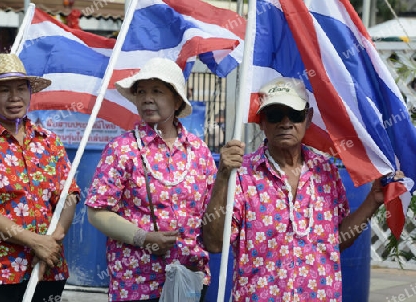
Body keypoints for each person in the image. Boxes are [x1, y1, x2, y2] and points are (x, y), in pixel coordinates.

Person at [202, 77, 404, 301]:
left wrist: (373, 200)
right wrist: (222, 176)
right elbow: (213, 243)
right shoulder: (242, 174)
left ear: (307, 119)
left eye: (295, 114)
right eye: (276, 114)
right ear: (261, 121)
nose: (286, 123)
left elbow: (337, 241)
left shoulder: (326, 171)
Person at [85, 57, 217, 302]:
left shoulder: (199, 152)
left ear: (177, 100)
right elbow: (97, 212)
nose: (147, 98)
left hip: (188, 280)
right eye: (141, 92)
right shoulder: (122, 149)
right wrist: (143, 238)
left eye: (157, 91)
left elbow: (212, 213)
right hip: (136, 283)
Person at [0, 53, 80, 302]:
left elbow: (69, 197)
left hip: (47, 269)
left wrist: (53, 239)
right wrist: (34, 241)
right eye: (4, 90)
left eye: (21, 88)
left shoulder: (49, 142)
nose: (14, 97)